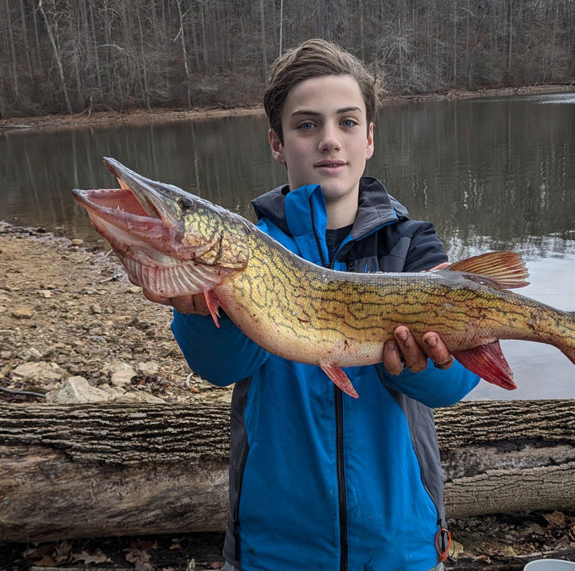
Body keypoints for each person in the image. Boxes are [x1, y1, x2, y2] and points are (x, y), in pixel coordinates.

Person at [145, 39, 480, 571]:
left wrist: (427, 366)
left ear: (369, 138)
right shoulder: (246, 250)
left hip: (400, 546)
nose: (329, 140)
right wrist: (196, 312)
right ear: (277, 143)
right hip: (275, 549)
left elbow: (456, 383)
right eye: (307, 125)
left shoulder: (413, 246)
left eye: (347, 122)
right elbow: (219, 366)